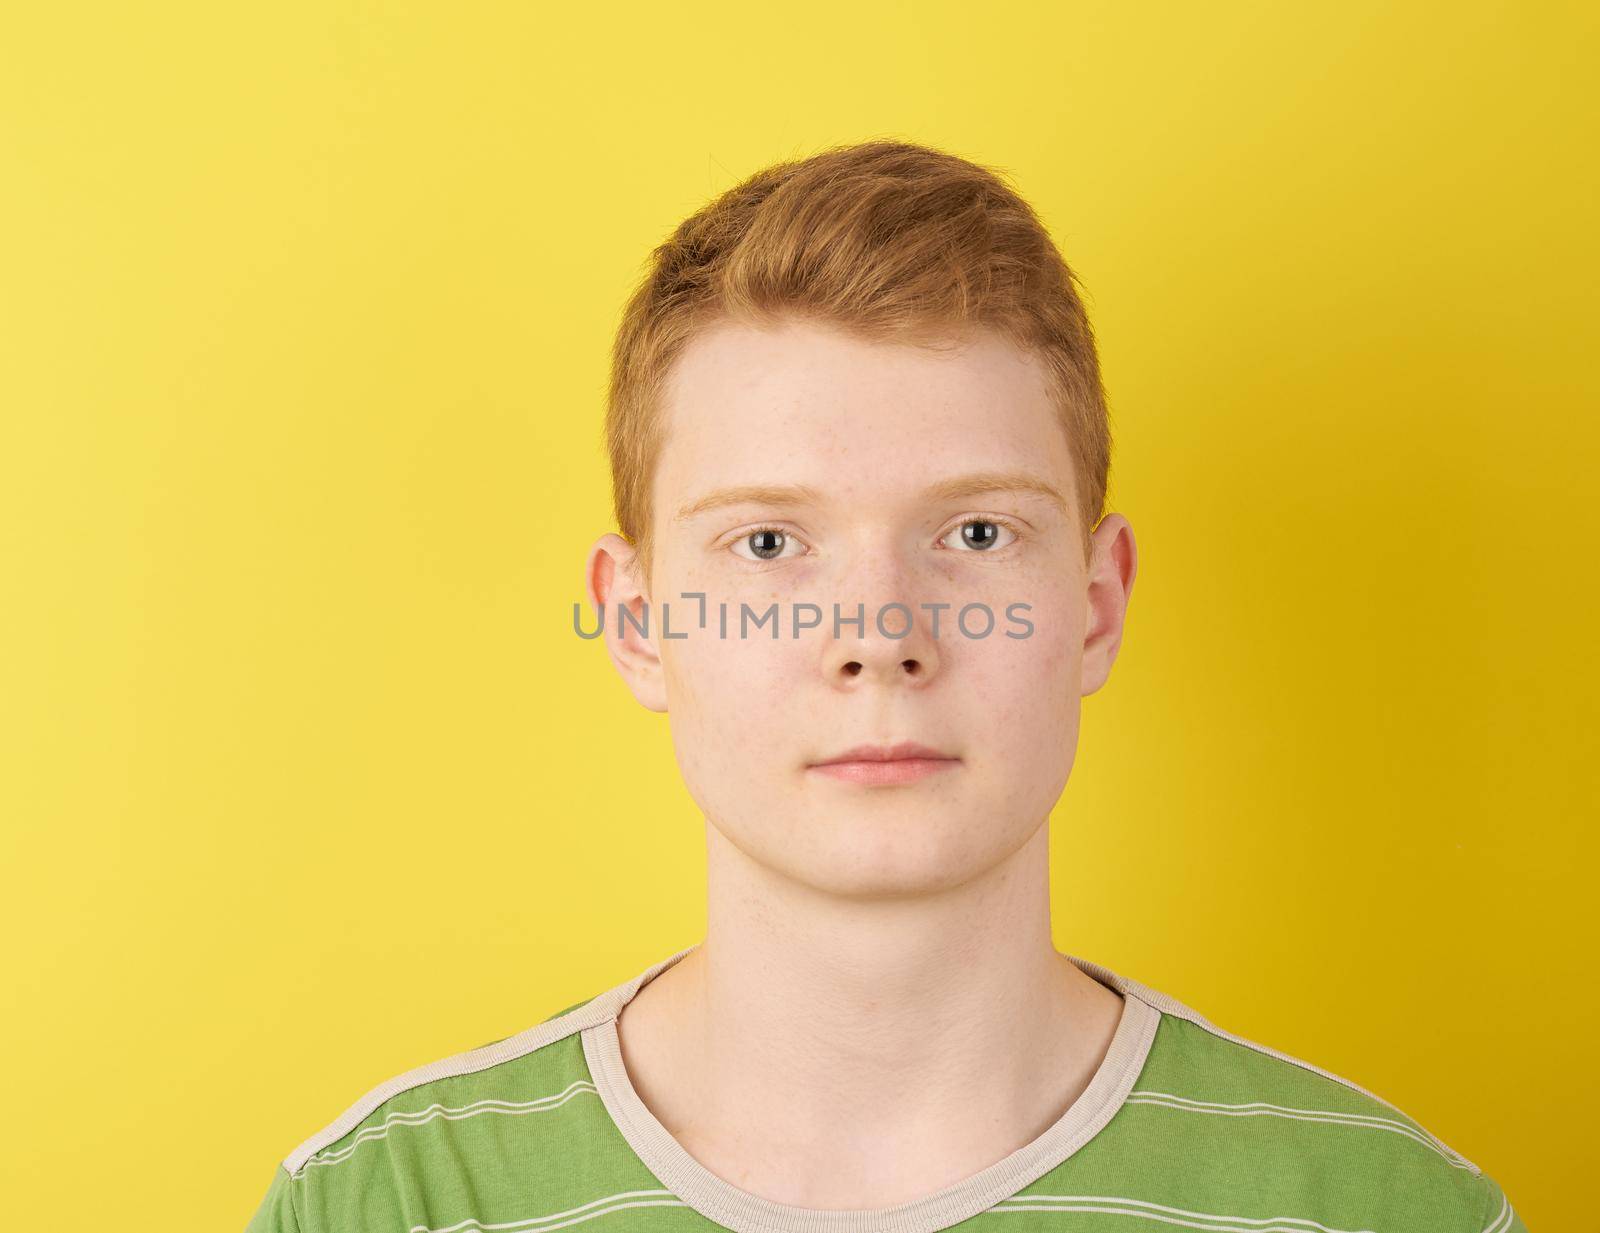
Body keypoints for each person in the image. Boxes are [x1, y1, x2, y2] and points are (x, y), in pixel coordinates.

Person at [246, 139, 1527, 1233]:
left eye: (975, 535)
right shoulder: (392, 1202)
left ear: (1094, 605)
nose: (878, 637)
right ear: (636, 621)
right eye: (766, 543)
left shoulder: (1378, 1210)